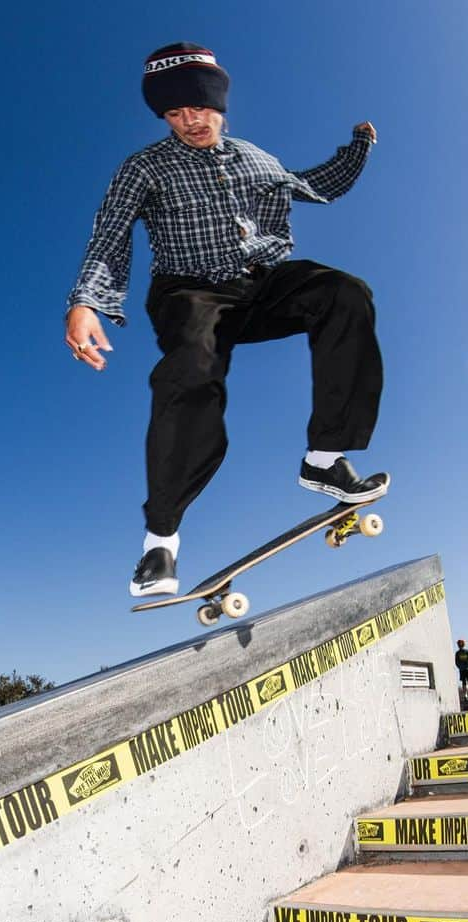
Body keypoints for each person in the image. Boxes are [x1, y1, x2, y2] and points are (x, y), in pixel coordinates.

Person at [65, 43, 388, 596]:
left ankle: (324, 457)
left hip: (261, 283)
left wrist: (359, 145)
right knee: (191, 370)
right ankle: (160, 544)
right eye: (174, 113)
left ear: (220, 103)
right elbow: (111, 233)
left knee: (345, 294)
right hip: (190, 292)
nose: (190, 121)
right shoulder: (144, 167)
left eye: (200, 108)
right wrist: (86, 301)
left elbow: (318, 184)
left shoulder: (255, 158)